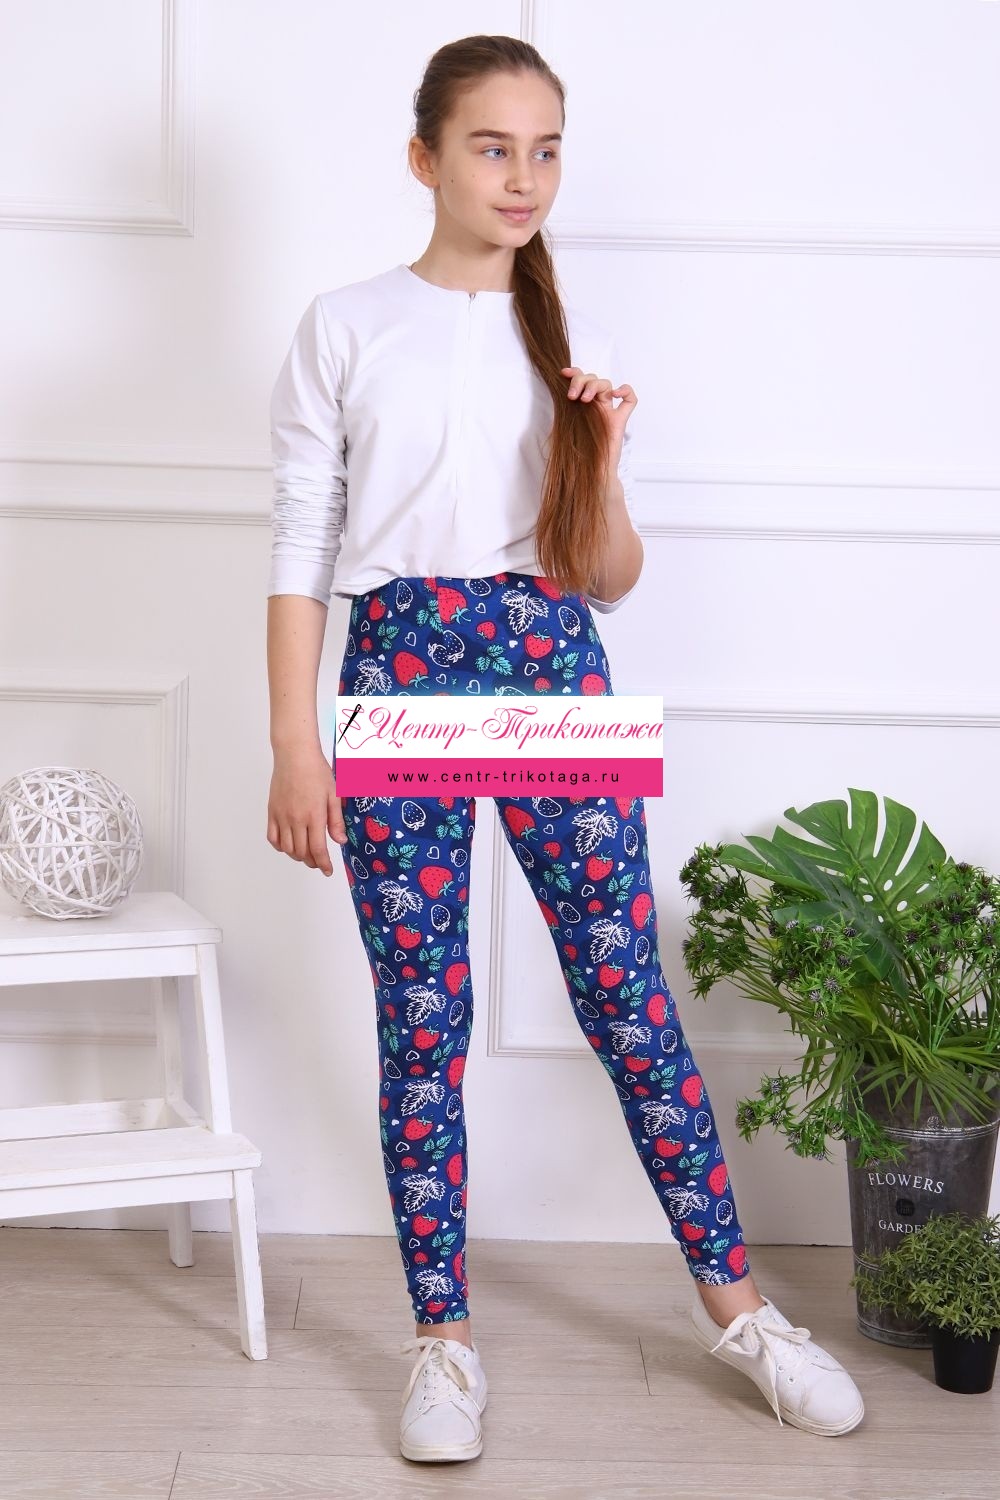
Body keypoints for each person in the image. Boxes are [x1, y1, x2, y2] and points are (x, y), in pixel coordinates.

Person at [265, 33, 865, 1464]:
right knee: (424, 1017)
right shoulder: (344, 325)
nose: (523, 176)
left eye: (545, 150)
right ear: (425, 157)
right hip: (399, 660)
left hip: (550, 658)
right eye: (492, 146)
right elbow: (300, 545)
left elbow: (608, 578)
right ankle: (442, 1342)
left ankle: (741, 1314)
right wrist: (294, 743)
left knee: (625, 996)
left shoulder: (565, 340)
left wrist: (600, 459)